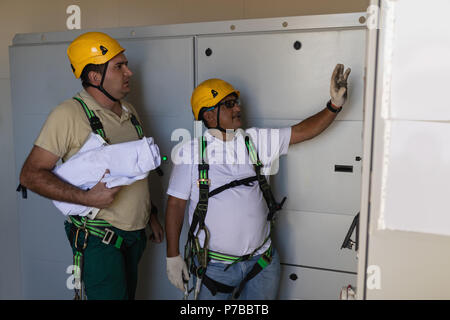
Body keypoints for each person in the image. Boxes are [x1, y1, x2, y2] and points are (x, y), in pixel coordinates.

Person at [165, 64, 351, 300]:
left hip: (261, 263)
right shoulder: (190, 154)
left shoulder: (254, 141)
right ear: (209, 114)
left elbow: (303, 131)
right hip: (213, 269)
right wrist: (172, 255)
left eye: (236, 102)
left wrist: (334, 105)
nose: (238, 108)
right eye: (229, 104)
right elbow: (175, 205)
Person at [19, 32, 164, 300]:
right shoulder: (68, 114)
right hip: (100, 240)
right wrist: (87, 198)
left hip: (135, 237)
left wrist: (151, 212)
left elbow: (136, 169)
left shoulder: (129, 112)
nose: (129, 72)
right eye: (119, 66)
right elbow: (30, 175)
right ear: (95, 77)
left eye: (126, 64)